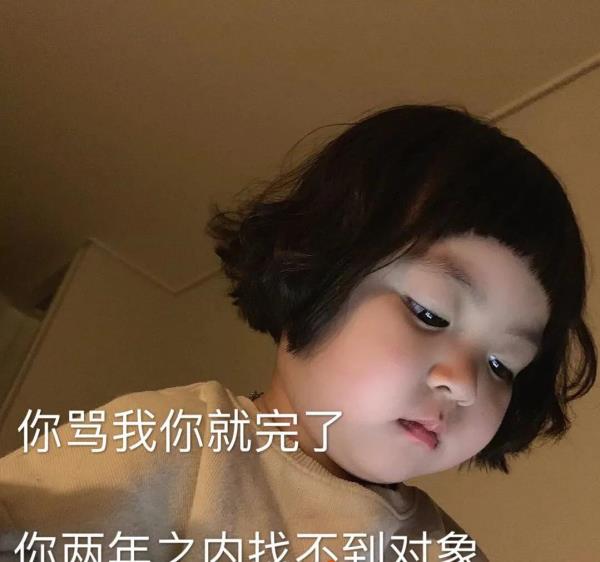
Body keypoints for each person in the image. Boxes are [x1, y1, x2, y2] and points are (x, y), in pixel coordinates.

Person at [0, 104, 596, 562]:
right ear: (314, 269)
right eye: (431, 313)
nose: (464, 384)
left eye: (502, 365)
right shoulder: (178, 442)